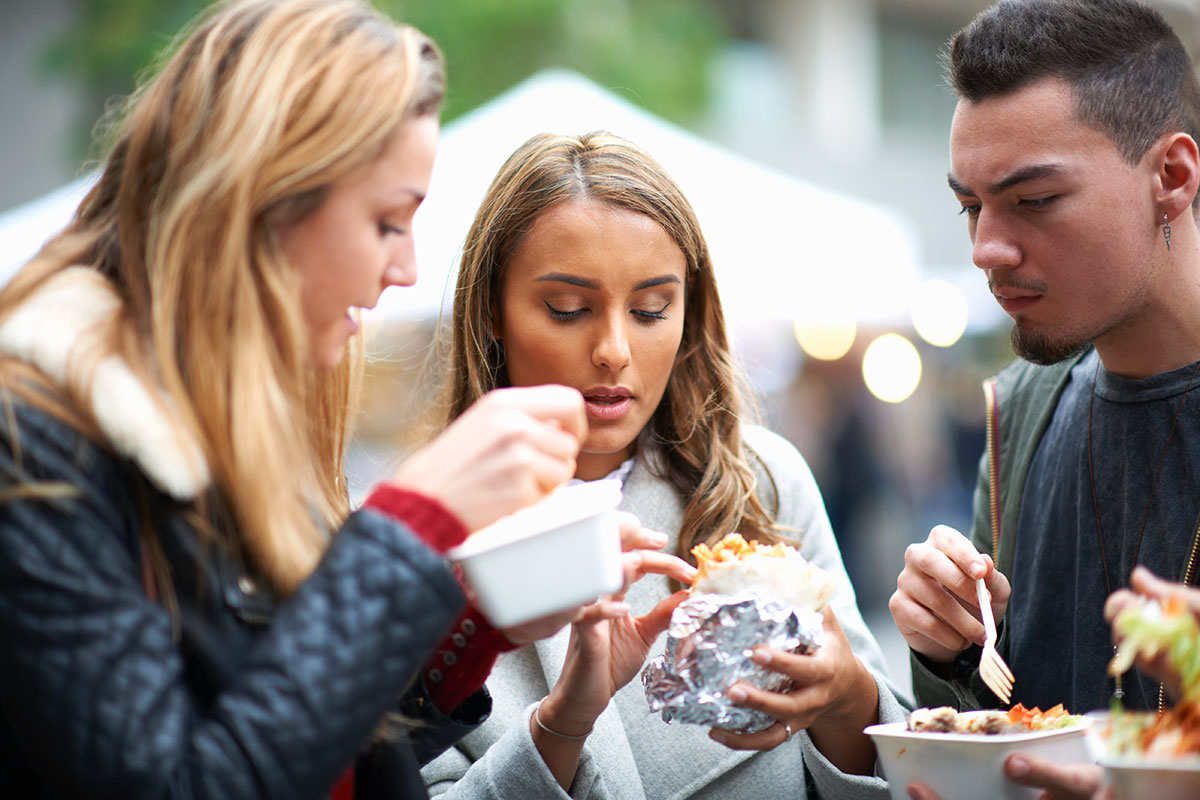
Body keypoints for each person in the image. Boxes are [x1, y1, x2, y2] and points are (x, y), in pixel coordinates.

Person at [0, 2, 681, 797]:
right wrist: (411, 528)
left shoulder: (225, 423)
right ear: (262, 206)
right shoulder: (34, 448)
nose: (408, 269)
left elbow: (304, 739)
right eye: (389, 222)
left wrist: (468, 627)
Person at [420, 130, 910, 799]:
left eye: (651, 310)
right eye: (568, 310)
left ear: (689, 310)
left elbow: (894, 766)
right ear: (491, 312)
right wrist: (561, 725)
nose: (614, 350)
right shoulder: (418, 539)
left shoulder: (759, 483)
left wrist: (847, 694)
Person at [889, 0, 1200, 796]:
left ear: (1171, 178)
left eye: (1033, 201)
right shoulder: (1019, 412)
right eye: (971, 206)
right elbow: (998, 730)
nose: (986, 249)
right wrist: (955, 649)